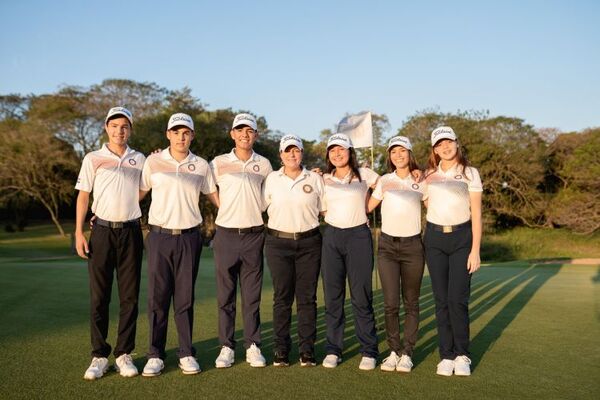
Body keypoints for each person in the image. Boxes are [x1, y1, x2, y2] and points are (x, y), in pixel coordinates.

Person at [140, 113, 219, 377]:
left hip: (189, 236)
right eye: (176, 132)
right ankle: (155, 354)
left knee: (184, 298)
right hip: (159, 236)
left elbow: (216, 197)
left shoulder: (201, 165)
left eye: (186, 132)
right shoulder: (153, 161)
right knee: (157, 299)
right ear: (168, 134)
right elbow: (136, 195)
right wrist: (100, 212)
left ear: (192, 136)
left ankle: (186, 352)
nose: (181, 136)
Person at [75, 107, 144, 380]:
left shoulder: (139, 159)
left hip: (131, 232)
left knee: (129, 296)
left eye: (124, 126)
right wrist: (79, 232)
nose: (119, 130)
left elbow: (146, 188)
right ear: (106, 128)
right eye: (114, 125)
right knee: (99, 297)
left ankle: (124, 354)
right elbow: (83, 196)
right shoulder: (93, 158)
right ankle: (99, 355)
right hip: (101, 232)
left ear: (130, 129)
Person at [210, 113, 273, 368]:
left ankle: (253, 345)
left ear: (256, 135)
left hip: (254, 234)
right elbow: (206, 187)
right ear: (232, 134)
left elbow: (273, 192)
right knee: (225, 296)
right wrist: (222, 207)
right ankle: (226, 346)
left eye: (250, 131)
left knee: (251, 296)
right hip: (225, 234)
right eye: (240, 130)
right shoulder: (217, 163)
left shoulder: (265, 164)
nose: (245, 135)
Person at [424, 126, 482, 377]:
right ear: (435, 150)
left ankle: (462, 355)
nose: (445, 147)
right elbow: (426, 203)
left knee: (457, 300)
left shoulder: (470, 173)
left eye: (449, 142)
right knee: (441, 301)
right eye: (440, 144)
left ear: (456, 143)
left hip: (462, 238)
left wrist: (475, 250)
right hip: (435, 238)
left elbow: (477, 214)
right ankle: (446, 355)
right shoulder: (427, 176)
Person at [263, 134, 325, 367]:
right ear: (280, 154)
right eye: (287, 151)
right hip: (278, 243)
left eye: (296, 150)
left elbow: (327, 209)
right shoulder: (271, 179)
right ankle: (281, 349)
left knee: (307, 298)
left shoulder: (315, 178)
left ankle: (307, 350)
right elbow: (258, 204)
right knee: (282, 298)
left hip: (310, 243)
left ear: (302, 153)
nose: (292, 154)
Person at [320, 133, 379, 370]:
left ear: (350, 152)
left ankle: (369, 350)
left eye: (341, 149)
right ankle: (334, 349)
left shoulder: (364, 174)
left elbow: (387, 184)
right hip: (332, 236)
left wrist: (368, 207)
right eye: (332, 150)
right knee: (333, 297)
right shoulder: (322, 178)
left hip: (358, 237)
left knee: (361, 296)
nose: (337, 153)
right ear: (328, 155)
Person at [367, 136, 426, 373]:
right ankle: (393, 351)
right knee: (390, 304)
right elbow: (367, 207)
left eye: (402, 151)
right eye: (393, 152)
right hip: (387, 247)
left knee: (411, 303)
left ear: (409, 153)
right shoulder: (384, 180)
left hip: (413, 247)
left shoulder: (422, 180)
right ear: (389, 156)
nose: (398, 155)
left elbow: (435, 208)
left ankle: (407, 353)